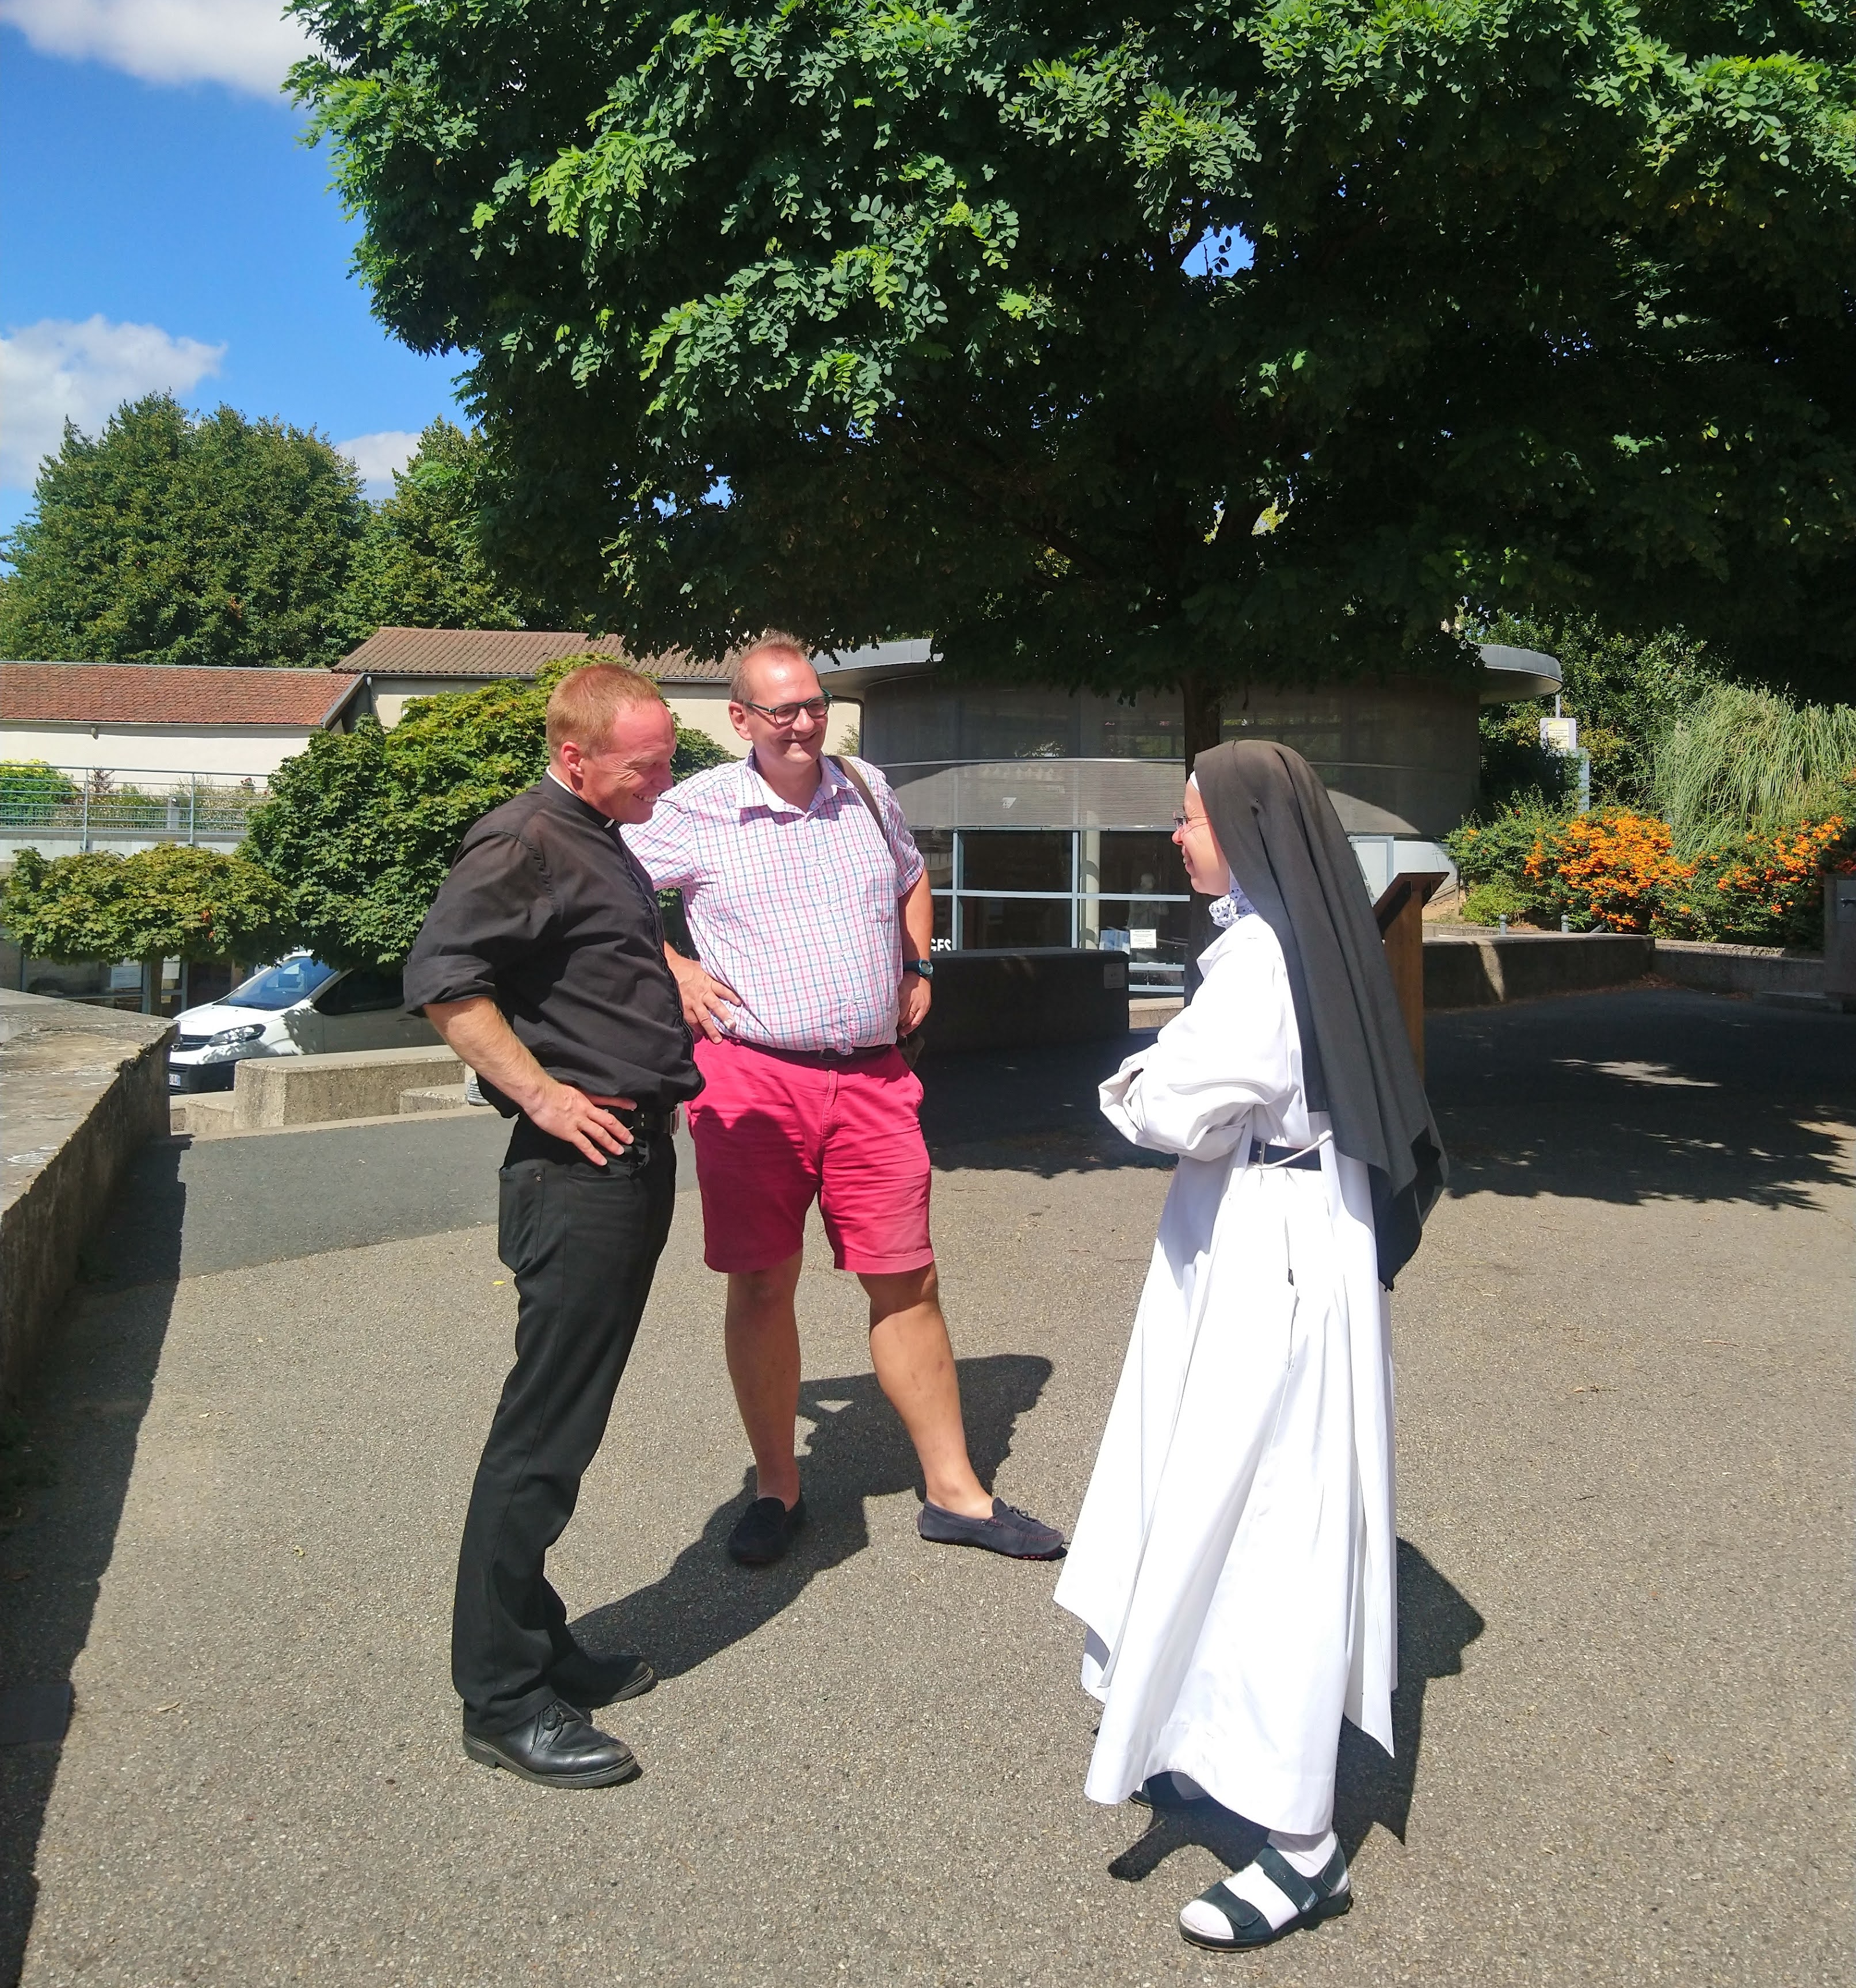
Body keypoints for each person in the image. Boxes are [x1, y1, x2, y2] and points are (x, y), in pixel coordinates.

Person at [1054, 739, 1445, 1952]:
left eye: (1190, 817)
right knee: (1221, 1501)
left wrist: (1129, 1088)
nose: (1176, 837)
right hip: (1279, 1231)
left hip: (1264, 1257)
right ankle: (1196, 1726)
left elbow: (1169, 1106)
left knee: (1264, 1520)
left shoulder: (1263, 961)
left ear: (1246, 829)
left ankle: (1302, 1844)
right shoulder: (1302, 939)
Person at [627, 635, 1064, 1567]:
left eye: (814, 705)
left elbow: (911, 873)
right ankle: (777, 1486)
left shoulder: (864, 786)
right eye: (781, 709)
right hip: (752, 1079)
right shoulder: (695, 808)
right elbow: (596, 887)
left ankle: (955, 1492)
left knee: (907, 1278)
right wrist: (675, 968)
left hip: (872, 1076)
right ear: (739, 719)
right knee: (761, 1280)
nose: (803, 724)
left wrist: (918, 962)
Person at [403, 661, 700, 1789]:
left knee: (564, 1428)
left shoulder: (597, 835)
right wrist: (542, 1094)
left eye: (669, 761)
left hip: (627, 1159)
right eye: (646, 766)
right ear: (574, 757)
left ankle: (536, 1641)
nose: (663, 782)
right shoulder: (524, 838)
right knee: (542, 1440)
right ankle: (500, 1697)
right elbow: (445, 983)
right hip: (576, 1173)